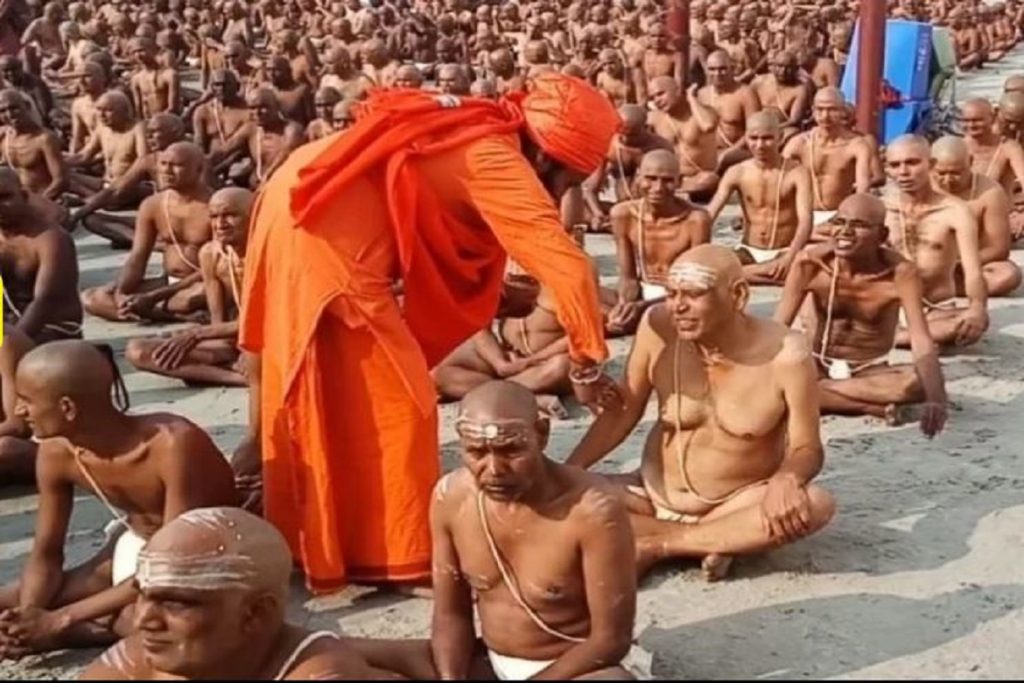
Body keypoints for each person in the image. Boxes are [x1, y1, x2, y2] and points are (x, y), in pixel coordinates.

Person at [236, 74, 624, 591]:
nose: (563, 194)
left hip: (301, 196)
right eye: (569, 181)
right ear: (549, 156)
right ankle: (398, 556)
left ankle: (325, 534)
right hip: (319, 227)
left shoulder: (487, 126)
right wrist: (588, 363)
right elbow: (571, 269)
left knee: (345, 391)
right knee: (403, 404)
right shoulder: (496, 158)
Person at [568, 244, 836, 582]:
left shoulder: (786, 354)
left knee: (815, 503)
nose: (678, 307)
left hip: (736, 503)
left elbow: (806, 447)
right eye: (671, 294)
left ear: (738, 295)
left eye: (694, 295)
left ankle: (658, 544)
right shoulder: (658, 327)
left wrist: (788, 478)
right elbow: (623, 411)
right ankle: (713, 541)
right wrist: (571, 470)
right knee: (568, 496)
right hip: (648, 495)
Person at [347, 381, 637, 680]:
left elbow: (610, 640)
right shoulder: (452, 497)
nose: (495, 469)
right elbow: (451, 615)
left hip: (569, 669)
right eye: (477, 453)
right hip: (486, 661)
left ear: (541, 434)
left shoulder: (593, 510)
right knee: (333, 656)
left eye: (510, 451)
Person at [0, 341, 237, 658]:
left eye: (26, 400)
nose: (18, 411)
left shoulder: (172, 445)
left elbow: (171, 564)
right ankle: (45, 630)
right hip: (137, 548)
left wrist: (59, 620)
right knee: (14, 599)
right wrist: (29, 616)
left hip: (197, 557)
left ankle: (70, 635)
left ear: (67, 408)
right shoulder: (56, 452)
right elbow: (46, 553)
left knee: (145, 621)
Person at [81, 508, 398, 680]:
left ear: (255, 613)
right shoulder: (136, 659)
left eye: (175, 602)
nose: (143, 620)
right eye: (142, 595)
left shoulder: (318, 671)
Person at [775, 194, 948, 433]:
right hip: (817, 362)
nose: (845, 231)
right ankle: (866, 406)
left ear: (882, 236)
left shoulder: (900, 273)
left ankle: (815, 393)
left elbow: (920, 339)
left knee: (915, 383)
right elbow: (778, 329)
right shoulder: (810, 264)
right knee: (772, 377)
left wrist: (937, 399)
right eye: (839, 222)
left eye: (858, 225)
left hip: (869, 369)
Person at [125, 188, 251, 387]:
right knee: (137, 351)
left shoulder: (270, 254)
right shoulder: (210, 254)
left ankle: (239, 371)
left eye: (230, 215)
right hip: (237, 339)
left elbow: (270, 322)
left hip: (272, 340)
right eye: (214, 217)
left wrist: (197, 334)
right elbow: (219, 323)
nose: (220, 224)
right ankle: (241, 379)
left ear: (253, 216)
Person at [80, 142, 211, 323]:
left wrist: (155, 296)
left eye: (177, 165)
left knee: (196, 297)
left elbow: (217, 267)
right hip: (168, 282)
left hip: (202, 283)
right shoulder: (152, 205)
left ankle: (152, 311)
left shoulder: (214, 206)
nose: (167, 171)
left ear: (198, 169)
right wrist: (121, 293)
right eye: (163, 164)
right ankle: (170, 315)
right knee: (92, 298)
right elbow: (138, 257)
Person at [883, 135, 989, 348]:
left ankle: (895, 338)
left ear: (930, 164)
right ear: (887, 169)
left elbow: (973, 271)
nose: (903, 172)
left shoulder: (956, 211)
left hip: (936, 309)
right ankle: (909, 336)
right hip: (888, 307)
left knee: (969, 323)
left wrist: (977, 307)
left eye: (912, 163)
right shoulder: (880, 208)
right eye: (895, 165)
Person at [608, 149, 711, 335]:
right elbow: (628, 278)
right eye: (651, 179)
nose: (657, 188)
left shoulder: (696, 220)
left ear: (679, 181)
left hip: (680, 297)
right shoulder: (622, 214)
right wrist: (625, 305)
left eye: (667, 180)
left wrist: (643, 307)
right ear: (638, 178)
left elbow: (693, 284)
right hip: (643, 291)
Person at [706, 111, 813, 285]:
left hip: (784, 250)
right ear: (745, 138)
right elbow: (710, 213)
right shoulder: (737, 172)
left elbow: (806, 220)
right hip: (748, 251)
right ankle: (766, 275)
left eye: (767, 138)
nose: (760, 145)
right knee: (713, 265)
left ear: (780, 138)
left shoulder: (797, 172)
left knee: (801, 267)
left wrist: (789, 257)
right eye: (753, 138)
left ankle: (744, 274)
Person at [69, 112, 185, 248]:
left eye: (154, 132)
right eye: (148, 132)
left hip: (184, 221)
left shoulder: (194, 159)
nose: (149, 137)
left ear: (175, 132)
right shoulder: (149, 160)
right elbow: (115, 190)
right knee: (91, 220)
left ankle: (147, 242)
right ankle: (149, 242)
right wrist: (78, 215)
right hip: (160, 219)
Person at [931, 135, 1022, 297]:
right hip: (925, 262)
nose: (948, 179)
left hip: (967, 264)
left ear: (970, 162)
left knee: (1007, 275)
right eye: (941, 173)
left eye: (955, 173)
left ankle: (943, 288)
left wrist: (958, 262)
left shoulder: (990, 192)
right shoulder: (920, 187)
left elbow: (999, 249)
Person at [0, 165, 81, 343]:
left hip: (50, 331)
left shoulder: (51, 239)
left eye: (5, 197)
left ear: (24, 196)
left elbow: (46, 301)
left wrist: (11, 342)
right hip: (9, 329)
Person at [783, 87, 874, 226]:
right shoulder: (799, 143)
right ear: (813, 111)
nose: (825, 116)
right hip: (802, 214)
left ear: (843, 111)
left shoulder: (856, 146)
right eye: (820, 109)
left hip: (838, 216)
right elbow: (778, 179)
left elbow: (863, 188)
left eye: (832, 110)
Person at [581, 104, 673, 232]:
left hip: (651, 208)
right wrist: (598, 214)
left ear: (646, 128)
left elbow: (670, 189)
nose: (625, 139)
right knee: (579, 209)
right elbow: (590, 190)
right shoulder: (609, 146)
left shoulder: (661, 148)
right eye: (621, 133)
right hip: (620, 207)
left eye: (632, 135)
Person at [647, 76, 720, 202]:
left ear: (677, 91)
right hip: (669, 179)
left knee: (709, 180)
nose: (657, 100)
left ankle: (676, 194)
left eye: (660, 94)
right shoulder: (654, 118)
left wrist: (691, 98)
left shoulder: (704, 112)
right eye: (653, 98)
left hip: (698, 177)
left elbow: (708, 125)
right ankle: (674, 192)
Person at [65, 91, 146, 200]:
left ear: (123, 111)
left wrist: (124, 182)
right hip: (106, 183)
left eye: (108, 110)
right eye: (99, 109)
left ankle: (92, 200)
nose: (101, 115)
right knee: (63, 175)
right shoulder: (102, 128)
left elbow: (143, 162)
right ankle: (95, 198)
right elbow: (84, 156)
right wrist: (58, 162)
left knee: (117, 194)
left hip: (128, 186)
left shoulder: (137, 129)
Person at [696, 50, 761, 172]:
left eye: (722, 69)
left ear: (732, 69)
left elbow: (754, 131)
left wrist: (728, 153)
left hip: (738, 151)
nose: (717, 73)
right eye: (712, 69)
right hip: (710, 153)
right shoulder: (702, 94)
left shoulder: (745, 94)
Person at [0, 88, 66, 200]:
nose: (9, 114)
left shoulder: (44, 139)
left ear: (27, 106)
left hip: (43, 199)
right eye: (2, 111)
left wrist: (38, 203)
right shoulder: (4, 136)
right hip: (13, 201)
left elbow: (61, 181)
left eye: (14, 108)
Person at [961, 97, 1024, 199]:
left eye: (977, 120)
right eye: (966, 120)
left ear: (993, 118)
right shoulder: (958, 147)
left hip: (1000, 207)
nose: (971, 125)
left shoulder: (1008, 147)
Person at [751, 49, 809, 144]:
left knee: (792, 133)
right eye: (780, 66)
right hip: (755, 125)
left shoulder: (799, 89)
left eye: (788, 68)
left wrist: (770, 129)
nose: (783, 71)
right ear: (773, 66)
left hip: (782, 128)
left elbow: (794, 120)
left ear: (795, 69)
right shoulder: (759, 82)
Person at [128, 36, 180, 119]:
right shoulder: (136, 79)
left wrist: (157, 121)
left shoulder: (169, 75)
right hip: (148, 121)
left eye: (141, 50)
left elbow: (173, 107)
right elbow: (138, 108)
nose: (138, 55)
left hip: (169, 120)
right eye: (134, 52)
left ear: (153, 50)